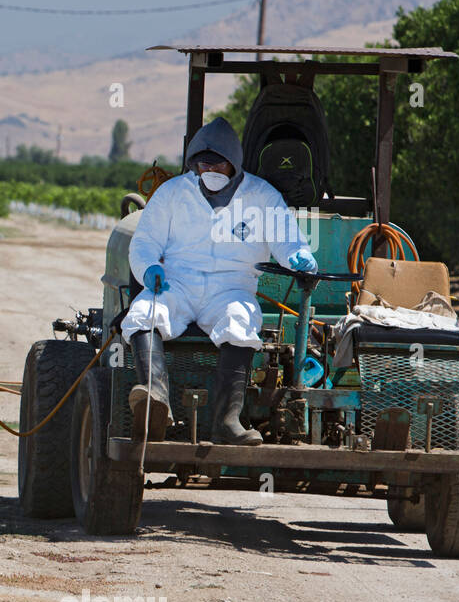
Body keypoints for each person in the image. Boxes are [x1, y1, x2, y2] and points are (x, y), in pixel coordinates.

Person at [122, 116, 317, 445]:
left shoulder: (262, 196)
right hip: (176, 282)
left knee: (240, 322)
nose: (209, 172)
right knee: (144, 313)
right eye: (203, 164)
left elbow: (287, 239)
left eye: (218, 165)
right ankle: (155, 401)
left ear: (235, 165)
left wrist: (299, 256)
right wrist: (149, 269)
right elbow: (144, 243)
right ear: (193, 163)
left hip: (232, 287)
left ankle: (226, 422)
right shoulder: (171, 193)